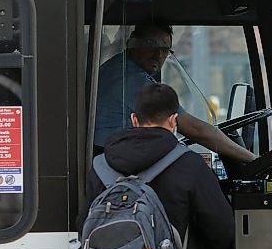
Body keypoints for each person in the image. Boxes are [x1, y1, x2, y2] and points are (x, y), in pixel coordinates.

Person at [85, 83, 235, 249]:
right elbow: (222, 232)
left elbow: (84, 225)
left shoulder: (100, 167)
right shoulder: (190, 165)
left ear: (134, 120)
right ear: (174, 121)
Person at [94, 19, 256, 163]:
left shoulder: (117, 68)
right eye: (151, 44)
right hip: (112, 162)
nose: (158, 54)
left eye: (165, 49)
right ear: (133, 43)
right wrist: (253, 159)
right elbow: (196, 130)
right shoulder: (132, 79)